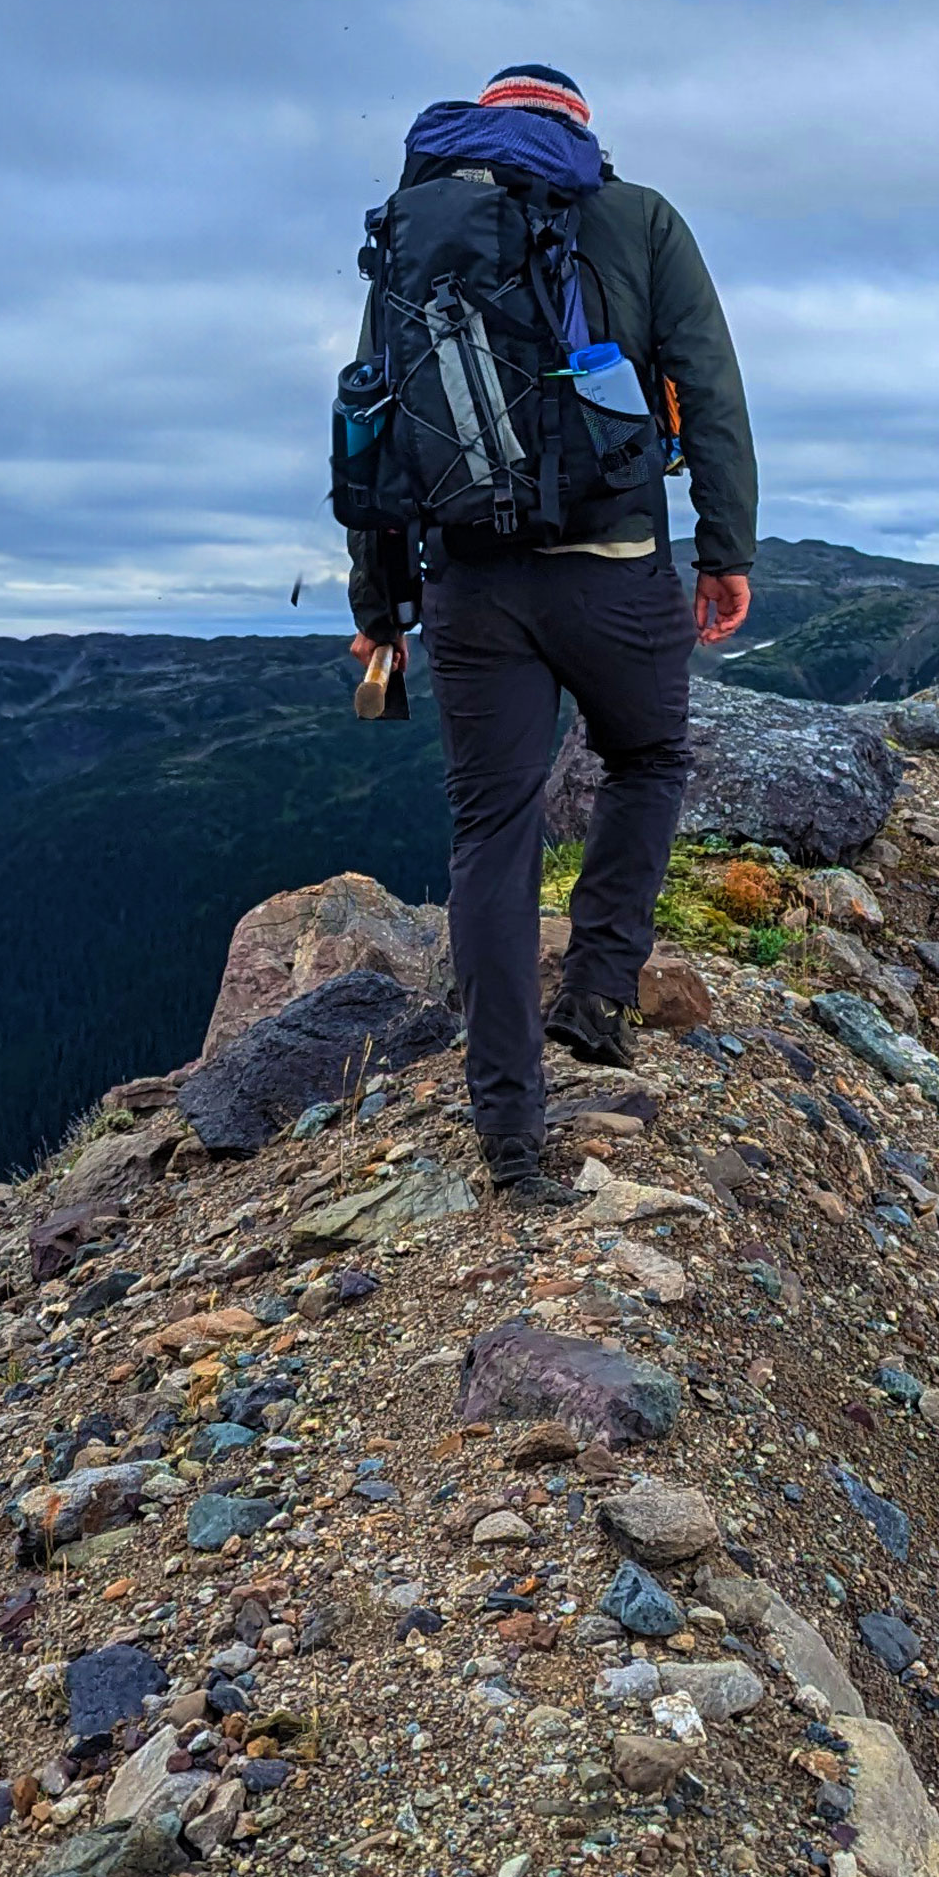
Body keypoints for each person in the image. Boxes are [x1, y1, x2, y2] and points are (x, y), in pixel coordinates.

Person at [344, 65, 755, 1207]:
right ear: (578, 127)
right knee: (650, 757)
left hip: (470, 586)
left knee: (493, 832)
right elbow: (708, 388)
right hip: (615, 573)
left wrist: (380, 611)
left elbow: (370, 417)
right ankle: (599, 992)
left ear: (488, 121)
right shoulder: (636, 216)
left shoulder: (419, 232)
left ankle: (511, 1141)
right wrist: (727, 550)